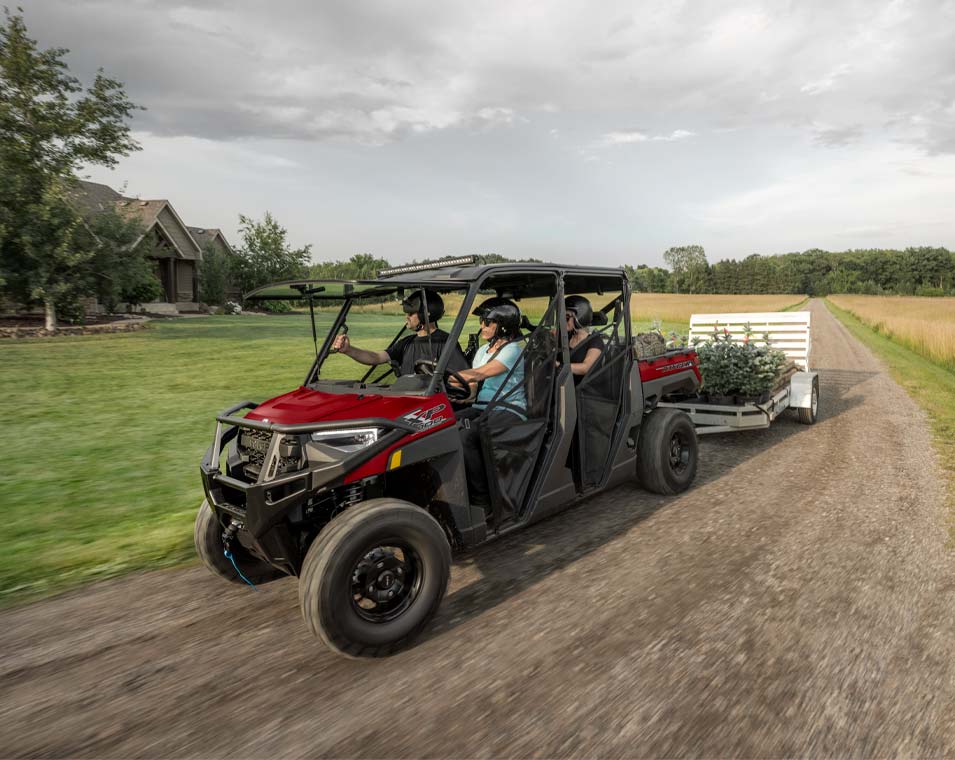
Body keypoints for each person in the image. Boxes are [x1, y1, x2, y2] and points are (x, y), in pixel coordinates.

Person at [455, 297, 526, 510]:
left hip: (509, 408)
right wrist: (461, 397)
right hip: (482, 407)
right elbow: (474, 387)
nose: (482, 325)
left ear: (503, 325)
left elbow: (479, 373)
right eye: (482, 321)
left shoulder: (512, 350)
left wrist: (441, 377)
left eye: (488, 322)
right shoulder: (482, 351)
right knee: (445, 423)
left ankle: (482, 499)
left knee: (467, 436)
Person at [332, 289, 467, 376]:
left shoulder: (445, 343)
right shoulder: (406, 343)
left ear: (425, 315)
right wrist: (349, 350)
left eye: (411, 313)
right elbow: (376, 357)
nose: (407, 316)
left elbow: (463, 377)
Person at [565, 295, 604, 385]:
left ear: (580, 318)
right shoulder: (566, 337)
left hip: (586, 391)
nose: (563, 321)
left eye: (567, 317)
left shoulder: (595, 341)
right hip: (566, 388)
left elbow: (585, 368)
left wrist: (560, 367)